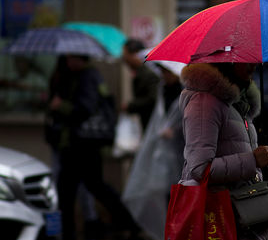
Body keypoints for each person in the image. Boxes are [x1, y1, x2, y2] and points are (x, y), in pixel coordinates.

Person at [48, 55, 143, 240]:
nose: (69, 62)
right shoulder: (77, 77)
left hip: (82, 145)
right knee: (80, 188)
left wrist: (61, 106)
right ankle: (126, 223)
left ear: (80, 59)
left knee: (83, 187)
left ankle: (127, 223)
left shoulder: (88, 77)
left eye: (71, 58)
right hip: (78, 144)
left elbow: (85, 108)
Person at [178, 62, 268, 239]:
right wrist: (252, 160)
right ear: (226, 61)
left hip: (242, 214)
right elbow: (200, 169)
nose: (253, 64)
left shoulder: (238, 103)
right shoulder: (204, 103)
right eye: (244, 59)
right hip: (218, 217)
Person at [123, 60, 185, 240]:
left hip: (180, 150)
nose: (165, 75)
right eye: (162, 72)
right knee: (165, 191)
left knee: (178, 191)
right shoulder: (162, 90)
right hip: (164, 151)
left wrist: (176, 130)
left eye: (167, 72)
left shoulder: (183, 92)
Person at [122, 38, 160, 130]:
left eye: (126, 54)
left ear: (135, 54)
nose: (124, 59)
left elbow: (152, 98)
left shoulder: (148, 73)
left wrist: (131, 106)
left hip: (152, 122)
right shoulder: (139, 72)